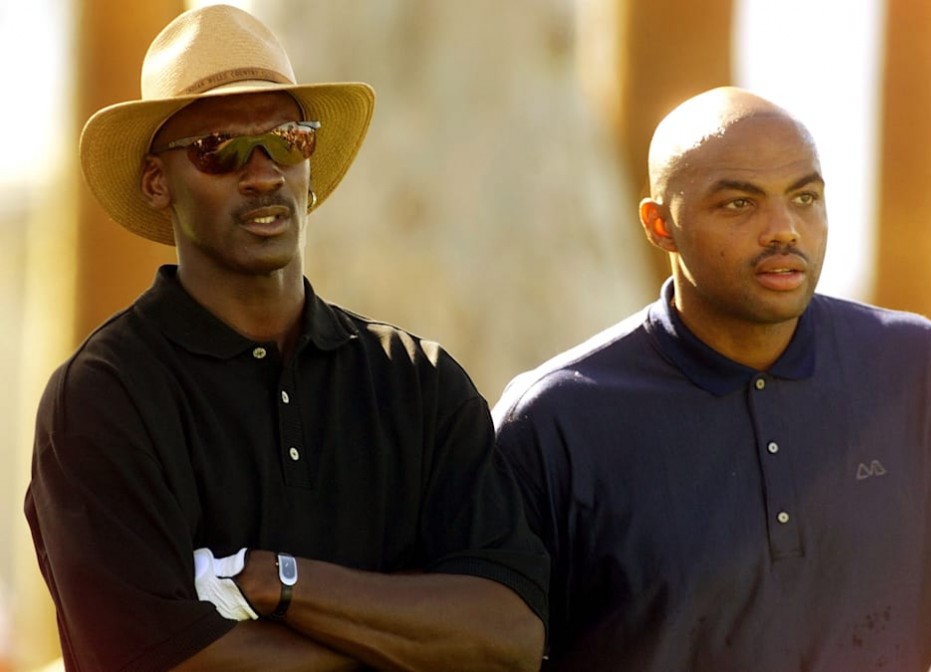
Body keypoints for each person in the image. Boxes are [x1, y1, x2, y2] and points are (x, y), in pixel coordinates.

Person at [25, 5, 547, 671]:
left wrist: (280, 580)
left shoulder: (418, 380)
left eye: (287, 139)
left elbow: (509, 636)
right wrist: (411, 640)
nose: (264, 173)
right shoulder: (104, 397)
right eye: (220, 148)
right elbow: (160, 660)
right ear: (158, 181)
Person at [492, 86, 931, 671]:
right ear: (660, 224)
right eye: (739, 204)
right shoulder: (557, 416)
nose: (784, 230)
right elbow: (486, 646)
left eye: (804, 197)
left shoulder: (919, 369)